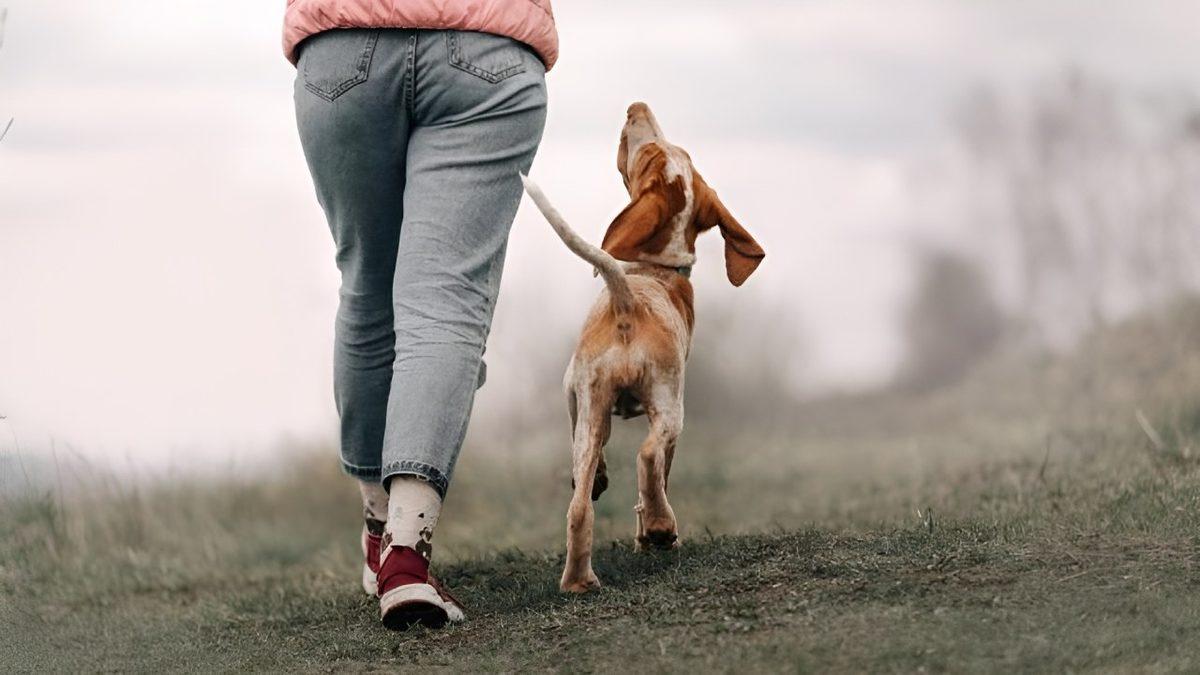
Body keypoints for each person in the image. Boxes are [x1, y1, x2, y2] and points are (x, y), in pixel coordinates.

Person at [285, 0, 558, 630]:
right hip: (487, 47)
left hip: (342, 48)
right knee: (445, 301)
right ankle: (405, 557)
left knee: (367, 287)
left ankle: (379, 527)